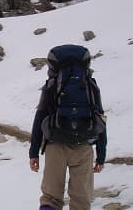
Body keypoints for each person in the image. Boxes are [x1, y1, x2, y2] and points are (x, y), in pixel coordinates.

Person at [29, 45, 107, 210]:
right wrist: (101, 154)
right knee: (81, 200)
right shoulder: (90, 86)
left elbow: (39, 119)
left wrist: (34, 152)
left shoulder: (51, 86)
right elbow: (100, 118)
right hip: (83, 146)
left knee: (51, 197)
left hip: (55, 145)